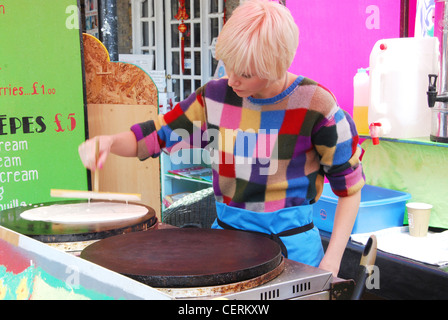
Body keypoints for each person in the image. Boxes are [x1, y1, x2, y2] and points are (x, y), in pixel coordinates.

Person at [78, 0, 364, 277]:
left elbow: (349, 188)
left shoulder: (317, 106)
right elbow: (156, 136)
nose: (232, 80)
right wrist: (110, 143)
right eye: (227, 65)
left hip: (295, 254)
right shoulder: (213, 97)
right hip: (226, 249)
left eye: (245, 73)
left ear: (275, 66)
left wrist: (332, 261)